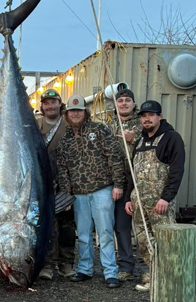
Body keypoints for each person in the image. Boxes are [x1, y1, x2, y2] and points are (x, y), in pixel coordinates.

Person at [56, 94, 125, 288]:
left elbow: (114, 156)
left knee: (105, 232)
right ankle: (85, 269)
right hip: (78, 194)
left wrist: (118, 184)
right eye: (72, 111)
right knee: (83, 234)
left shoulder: (99, 129)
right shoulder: (65, 140)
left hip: (102, 189)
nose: (75, 114)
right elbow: (63, 170)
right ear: (66, 114)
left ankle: (110, 272)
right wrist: (66, 196)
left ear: (85, 112)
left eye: (79, 110)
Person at [125, 100, 185, 291]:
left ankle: (170, 281)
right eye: (143, 116)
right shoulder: (139, 141)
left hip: (160, 203)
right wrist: (128, 198)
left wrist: (166, 198)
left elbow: (176, 171)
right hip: (138, 203)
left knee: (165, 241)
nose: (147, 119)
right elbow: (132, 172)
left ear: (160, 116)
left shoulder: (171, 138)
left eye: (151, 115)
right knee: (144, 241)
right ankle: (153, 276)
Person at [35, 88, 75, 280]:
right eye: (46, 103)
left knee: (67, 226)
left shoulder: (69, 124)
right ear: (42, 106)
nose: (50, 106)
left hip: (66, 181)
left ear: (60, 104)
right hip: (43, 183)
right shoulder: (35, 124)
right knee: (47, 226)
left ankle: (66, 263)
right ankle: (48, 264)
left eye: (53, 102)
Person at [109, 88, 142, 281]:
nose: (123, 103)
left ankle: (150, 267)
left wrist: (133, 139)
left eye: (127, 100)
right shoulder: (109, 126)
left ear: (133, 104)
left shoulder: (144, 124)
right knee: (122, 227)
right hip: (119, 182)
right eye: (120, 100)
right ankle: (126, 267)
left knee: (144, 227)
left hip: (141, 182)